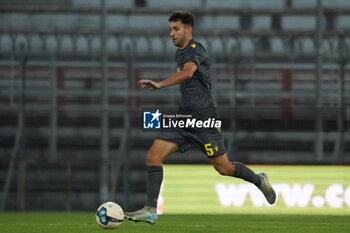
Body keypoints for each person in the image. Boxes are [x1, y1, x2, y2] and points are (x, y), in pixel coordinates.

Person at [124, 10, 276, 225]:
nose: (171, 34)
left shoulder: (196, 50)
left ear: (189, 29)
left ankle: (259, 180)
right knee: (153, 156)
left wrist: (159, 84)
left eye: (176, 29)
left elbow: (187, 73)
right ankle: (150, 209)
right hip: (184, 118)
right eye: (170, 29)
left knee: (223, 168)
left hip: (204, 121)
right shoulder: (180, 52)